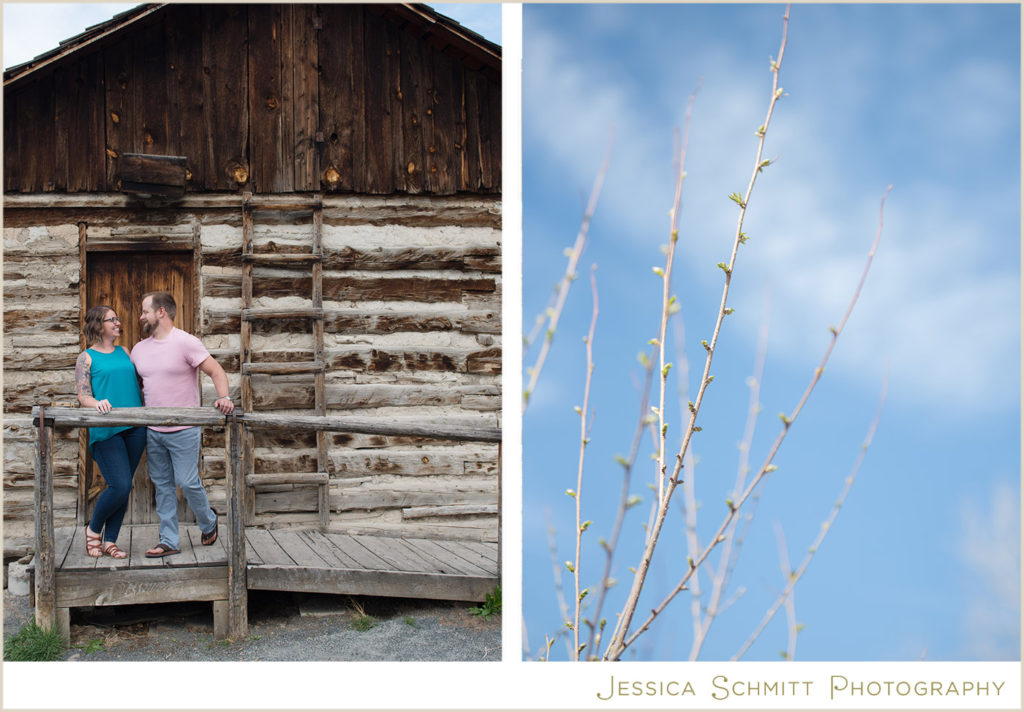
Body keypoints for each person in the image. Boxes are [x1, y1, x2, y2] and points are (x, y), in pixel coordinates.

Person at [130, 291, 234, 558]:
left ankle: (208, 521)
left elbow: (216, 371)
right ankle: (169, 540)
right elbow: (136, 386)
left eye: (145, 311)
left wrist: (224, 397)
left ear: (161, 312)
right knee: (162, 485)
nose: (141, 316)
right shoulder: (139, 350)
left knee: (187, 482)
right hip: (153, 431)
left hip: (185, 428)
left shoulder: (187, 343)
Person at [74, 306, 146, 559]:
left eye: (117, 318)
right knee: (120, 484)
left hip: (136, 427)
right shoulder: (86, 358)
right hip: (107, 429)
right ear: (98, 324)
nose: (118, 322)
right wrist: (97, 403)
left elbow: (138, 383)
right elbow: (83, 395)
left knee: (124, 487)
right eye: (111, 319)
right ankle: (93, 530)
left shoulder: (125, 351)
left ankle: (110, 541)